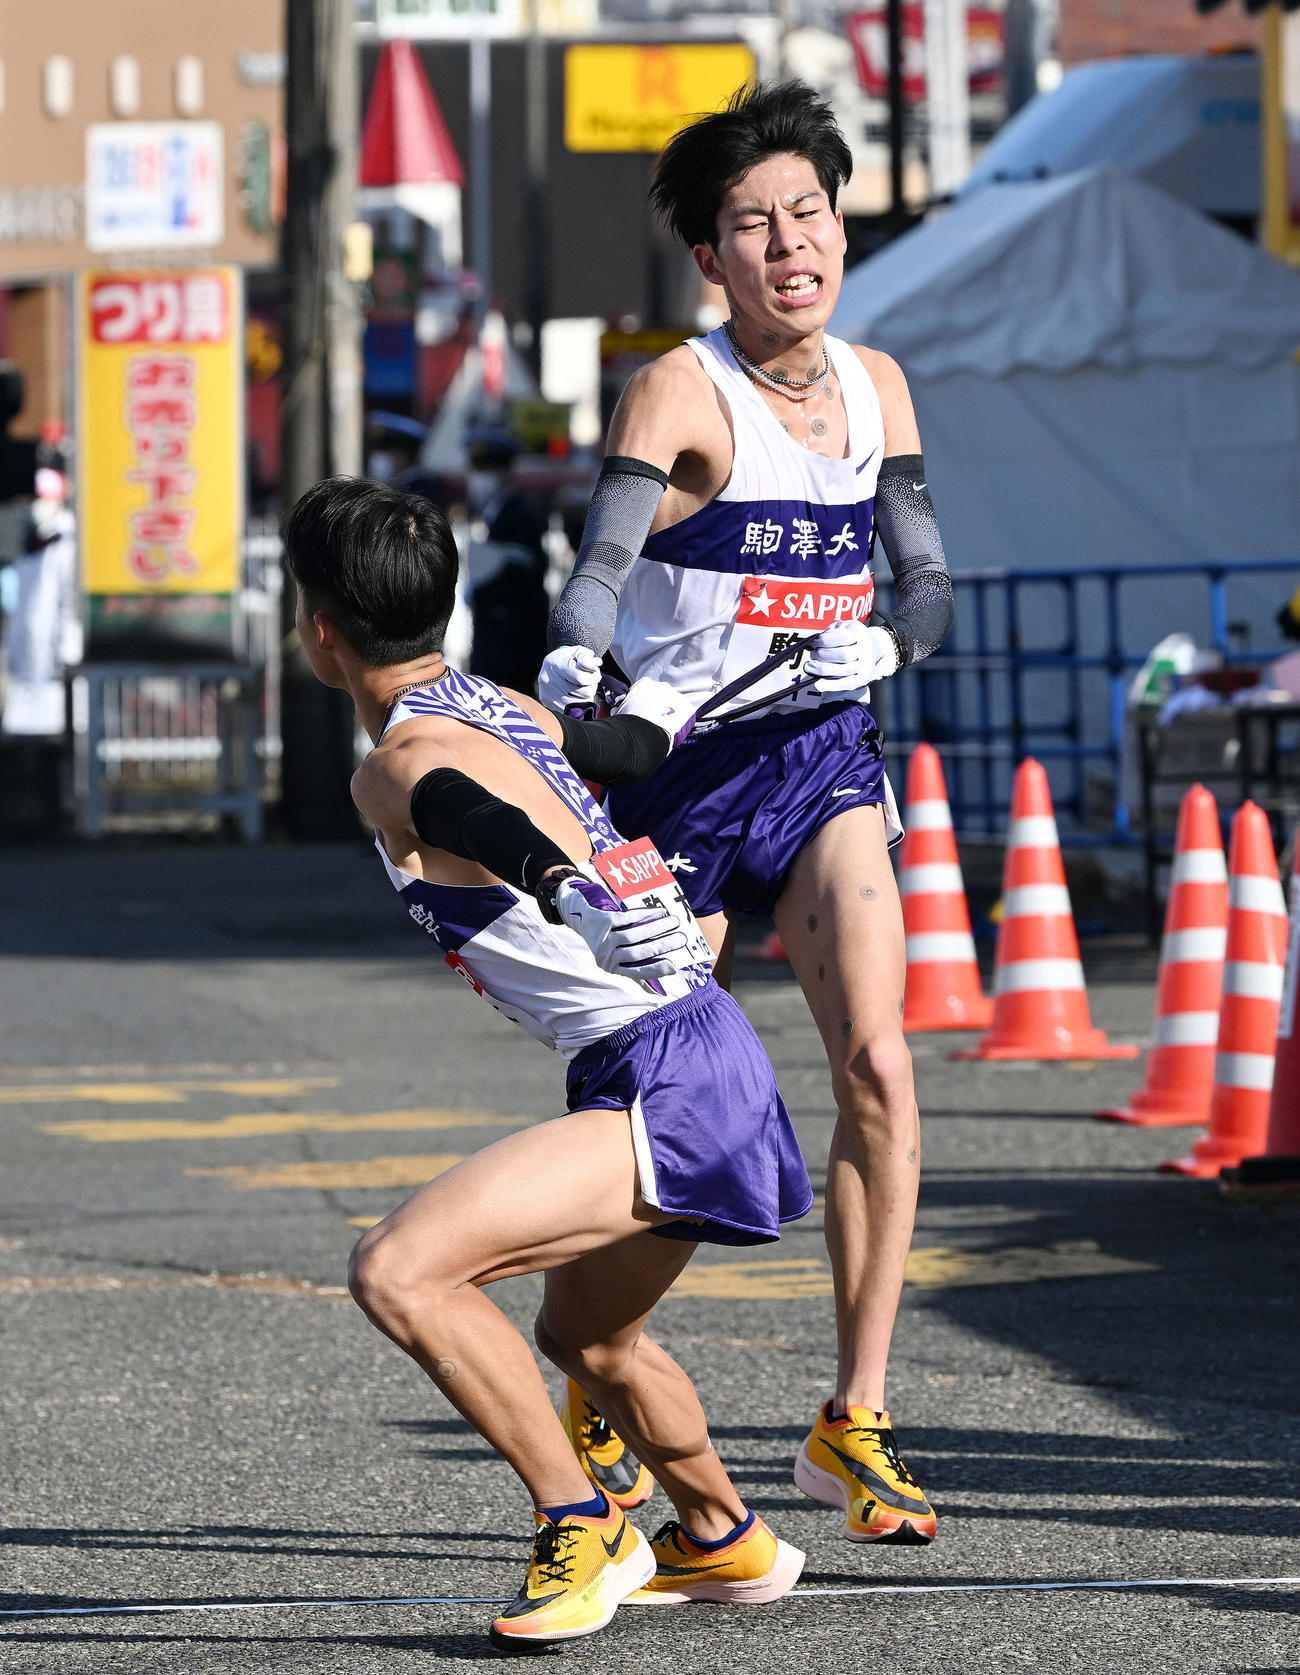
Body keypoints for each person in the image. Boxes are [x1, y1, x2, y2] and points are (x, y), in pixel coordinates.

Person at [283, 475, 810, 1648]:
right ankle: (723, 1536)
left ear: (321, 630)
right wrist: (726, 689)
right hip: (694, 1051)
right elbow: (618, 745)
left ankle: (584, 1521)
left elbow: (466, 812)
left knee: (402, 1272)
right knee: (588, 1340)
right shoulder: (503, 700)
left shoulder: (394, 765)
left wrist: (562, 882)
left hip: (664, 1068)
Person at [539, 80, 953, 1548]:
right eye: (754, 225)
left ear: (841, 227)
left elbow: (924, 578)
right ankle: (590, 1354)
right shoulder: (680, 387)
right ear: (711, 259)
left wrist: (894, 644)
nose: (792, 244)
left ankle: (857, 1414)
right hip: (678, 774)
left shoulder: (879, 381)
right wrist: (574, 657)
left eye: (810, 213)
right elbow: (597, 567)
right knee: (669, 1109)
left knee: (883, 1069)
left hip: (824, 750)